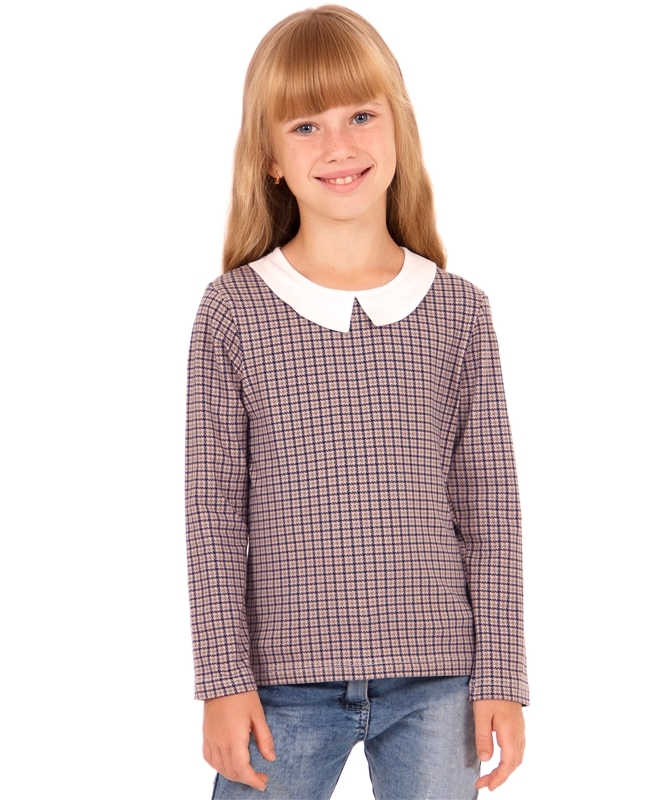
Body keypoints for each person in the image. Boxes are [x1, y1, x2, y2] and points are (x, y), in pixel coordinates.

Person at [185, 5, 529, 798]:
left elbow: (489, 507)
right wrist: (222, 681)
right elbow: (212, 513)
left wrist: (502, 676)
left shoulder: (459, 312)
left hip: (438, 683)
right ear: (269, 158)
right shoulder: (233, 311)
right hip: (279, 685)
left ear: (398, 128)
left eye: (360, 116)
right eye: (304, 126)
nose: (337, 145)